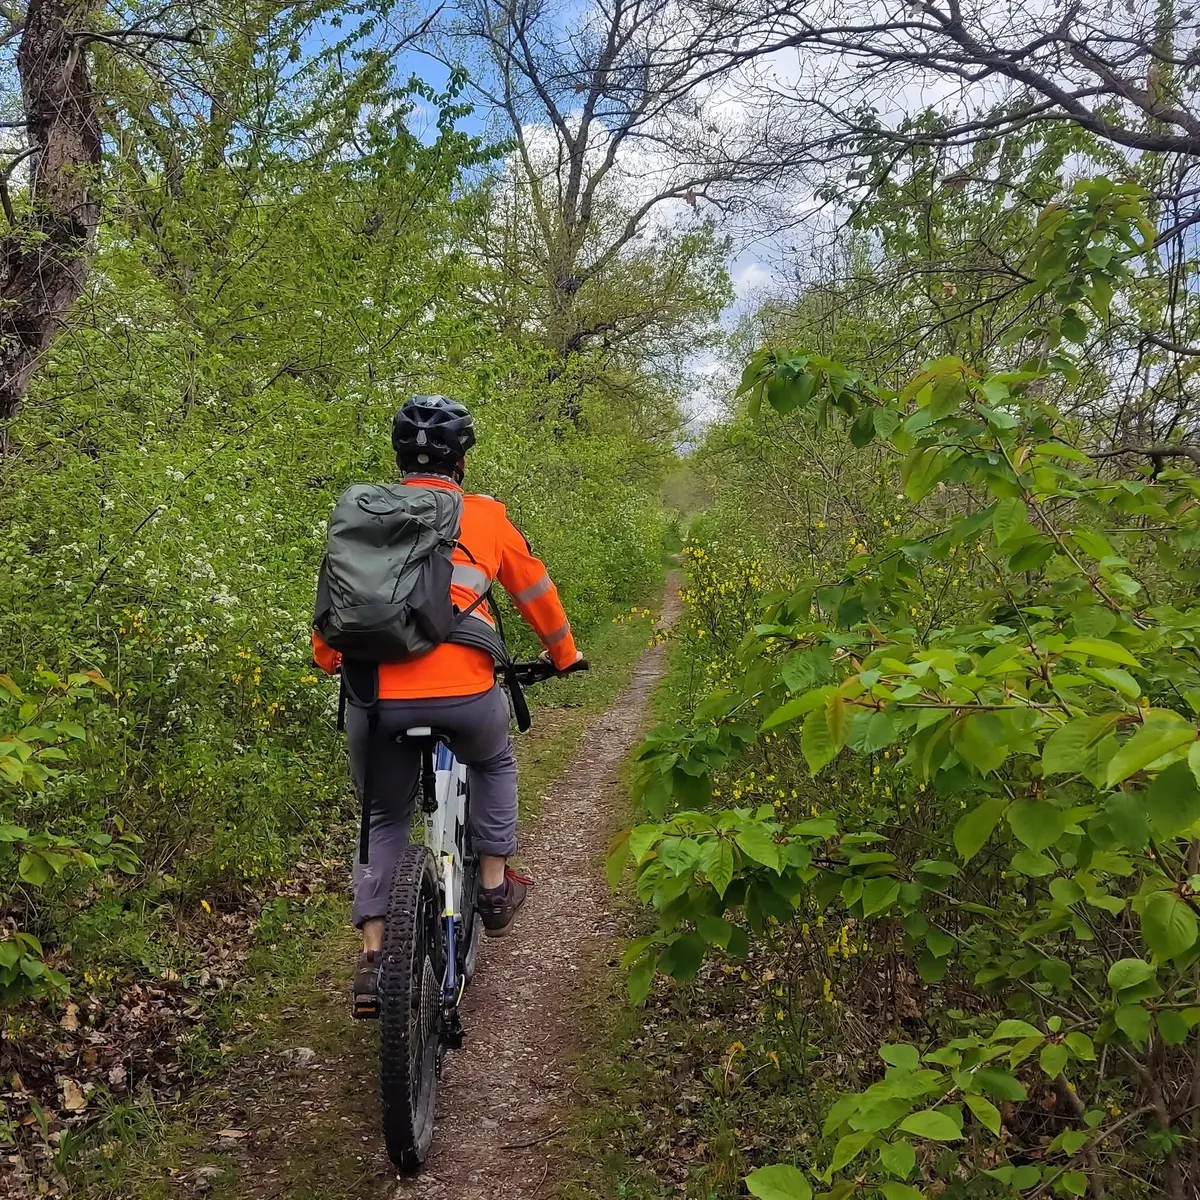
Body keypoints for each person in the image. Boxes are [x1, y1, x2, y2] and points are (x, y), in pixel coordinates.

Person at [311, 394, 582, 1009]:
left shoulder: (361, 514)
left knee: (383, 816)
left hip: (375, 697)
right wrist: (564, 655)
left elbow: (337, 607)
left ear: (399, 457)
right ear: (461, 459)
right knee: (493, 761)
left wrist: (329, 660)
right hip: (464, 692)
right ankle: (491, 885)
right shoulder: (484, 516)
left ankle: (375, 955)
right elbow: (535, 589)